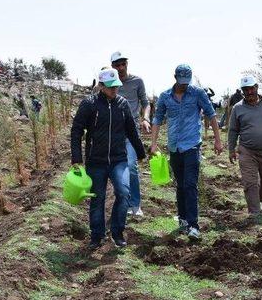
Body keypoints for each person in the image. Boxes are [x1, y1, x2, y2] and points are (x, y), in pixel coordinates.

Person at [71, 68, 146, 249]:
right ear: (101, 86)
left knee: (123, 192)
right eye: (111, 87)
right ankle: (96, 236)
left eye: (116, 87)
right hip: (96, 161)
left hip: (119, 159)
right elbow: (77, 130)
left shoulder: (123, 104)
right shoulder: (89, 104)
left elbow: (132, 131)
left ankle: (117, 232)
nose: (115, 90)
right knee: (98, 198)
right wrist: (76, 158)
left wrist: (141, 153)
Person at [150, 64, 223, 240]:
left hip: (192, 145)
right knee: (181, 184)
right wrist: (153, 143)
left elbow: (211, 114)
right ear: (174, 77)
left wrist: (218, 140)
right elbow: (158, 119)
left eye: (186, 82)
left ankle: (193, 225)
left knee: (190, 184)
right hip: (174, 147)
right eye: (181, 81)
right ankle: (182, 218)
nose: (184, 85)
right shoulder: (165, 96)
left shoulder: (197, 93)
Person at [228, 75, 262, 219]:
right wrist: (231, 149)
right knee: (250, 182)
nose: (249, 92)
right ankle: (254, 212)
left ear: (256, 87)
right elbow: (233, 130)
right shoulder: (237, 108)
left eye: (251, 88)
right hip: (247, 151)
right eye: (245, 90)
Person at [110, 51, 151, 217]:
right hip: (112, 132)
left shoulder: (137, 81)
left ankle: (135, 204)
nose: (120, 67)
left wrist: (146, 119)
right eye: (117, 65)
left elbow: (146, 103)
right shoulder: (108, 83)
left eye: (123, 64)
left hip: (131, 130)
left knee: (132, 167)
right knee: (117, 169)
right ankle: (123, 202)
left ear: (127, 64)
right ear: (112, 66)